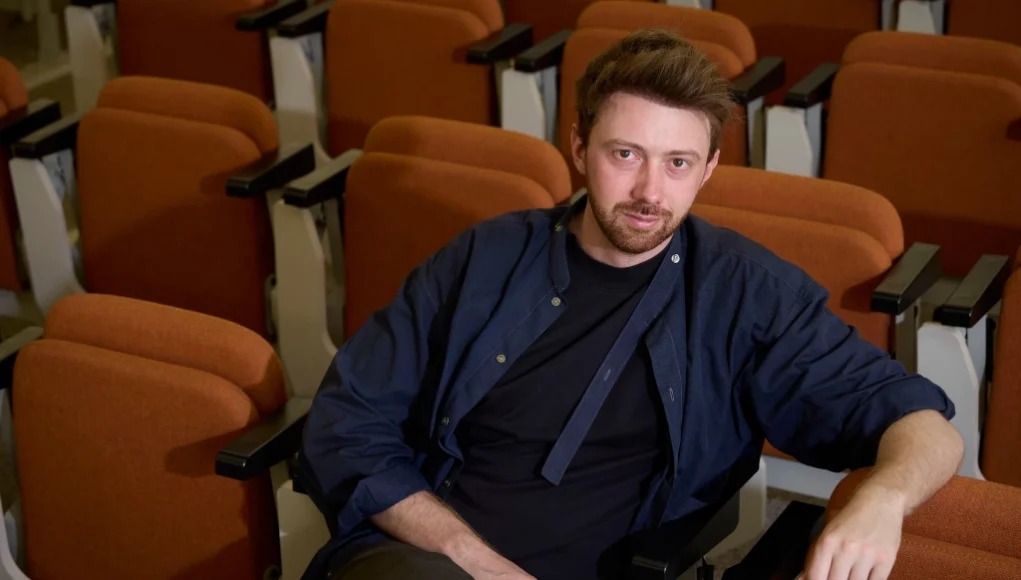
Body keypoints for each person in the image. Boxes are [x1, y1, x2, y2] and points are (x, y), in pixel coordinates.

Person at [295, 29, 963, 580]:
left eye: (677, 163)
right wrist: (474, 561)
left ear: (706, 170)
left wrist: (884, 495)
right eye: (625, 154)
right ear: (580, 148)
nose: (649, 191)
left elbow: (921, 423)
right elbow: (348, 420)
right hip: (428, 558)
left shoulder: (746, 293)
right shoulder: (482, 257)